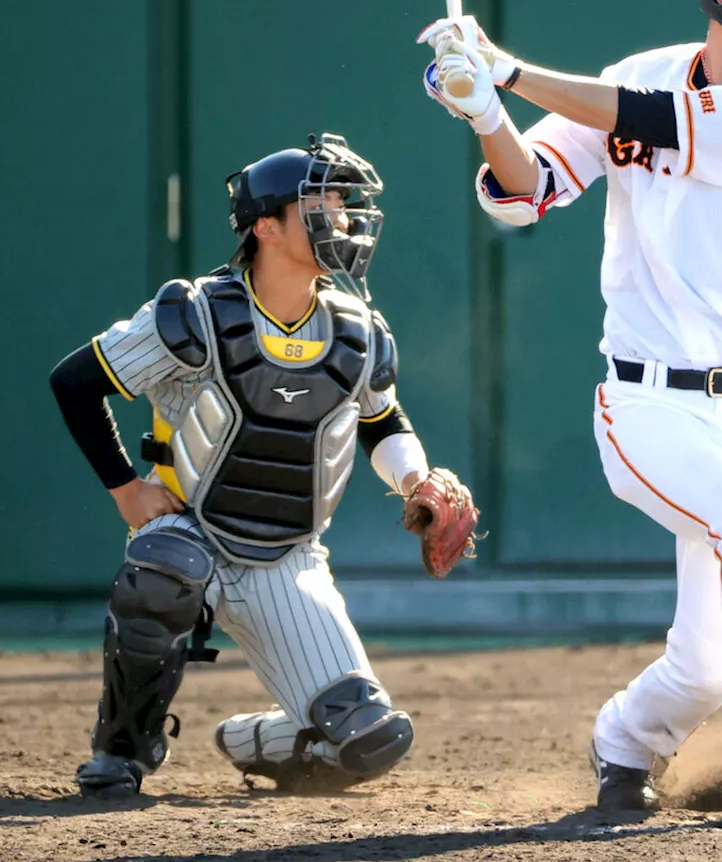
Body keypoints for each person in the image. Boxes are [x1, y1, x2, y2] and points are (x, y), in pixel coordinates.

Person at [415, 0, 722, 820]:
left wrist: (506, 69)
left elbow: (657, 122)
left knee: (710, 657)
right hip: (646, 401)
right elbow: (526, 190)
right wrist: (485, 113)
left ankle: (625, 740)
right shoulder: (637, 74)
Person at [49, 133, 474, 797]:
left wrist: (416, 479)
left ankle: (263, 741)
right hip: (192, 533)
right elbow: (75, 382)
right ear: (268, 227)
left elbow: (383, 423)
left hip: (288, 558)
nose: (342, 220)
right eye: (322, 206)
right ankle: (124, 749)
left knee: (371, 740)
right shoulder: (193, 315)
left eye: (342, 205)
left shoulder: (358, 329)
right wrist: (126, 491)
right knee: (164, 572)